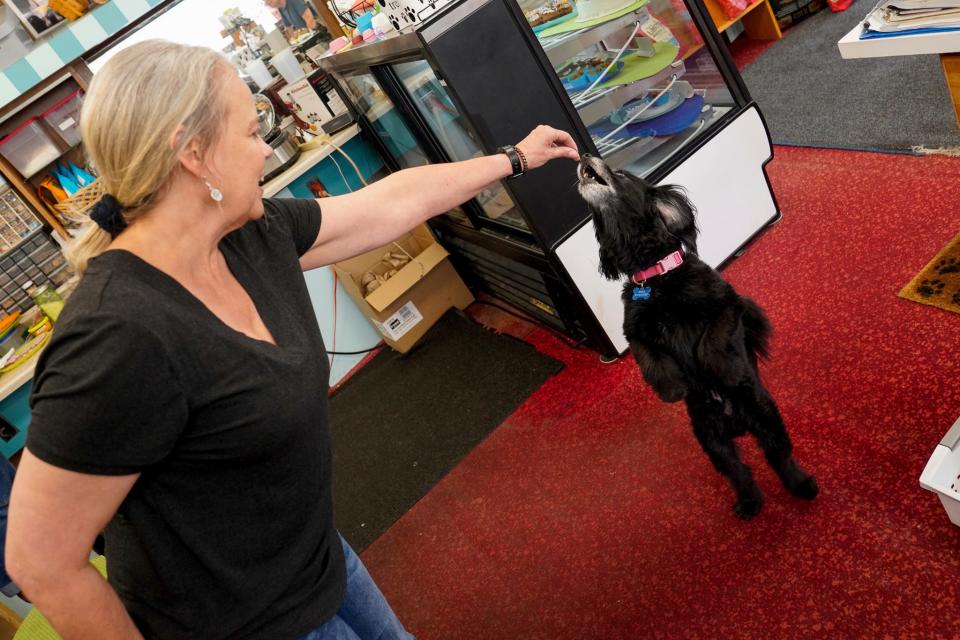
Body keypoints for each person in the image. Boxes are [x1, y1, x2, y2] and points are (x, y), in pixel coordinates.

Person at [5, 40, 578, 640]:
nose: (265, 150)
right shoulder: (116, 336)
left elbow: (389, 204)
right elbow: (41, 562)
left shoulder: (249, 235)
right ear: (193, 154)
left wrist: (514, 158)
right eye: (253, 132)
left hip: (316, 560)